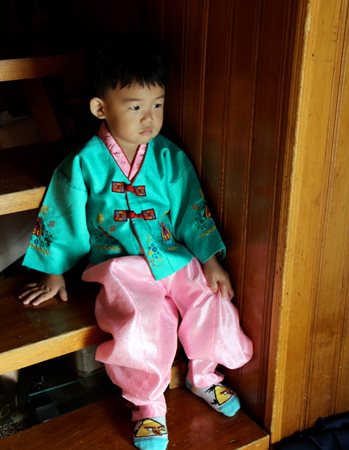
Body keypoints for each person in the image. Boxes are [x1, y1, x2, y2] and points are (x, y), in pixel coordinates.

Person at [19, 34, 253, 450]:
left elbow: (190, 209)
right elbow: (64, 210)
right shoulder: (83, 163)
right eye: (135, 107)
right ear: (100, 108)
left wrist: (211, 259)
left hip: (174, 254)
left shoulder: (169, 158)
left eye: (157, 104)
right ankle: (147, 404)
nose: (150, 119)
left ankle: (204, 375)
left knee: (209, 297)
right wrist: (53, 270)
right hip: (123, 266)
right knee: (141, 320)